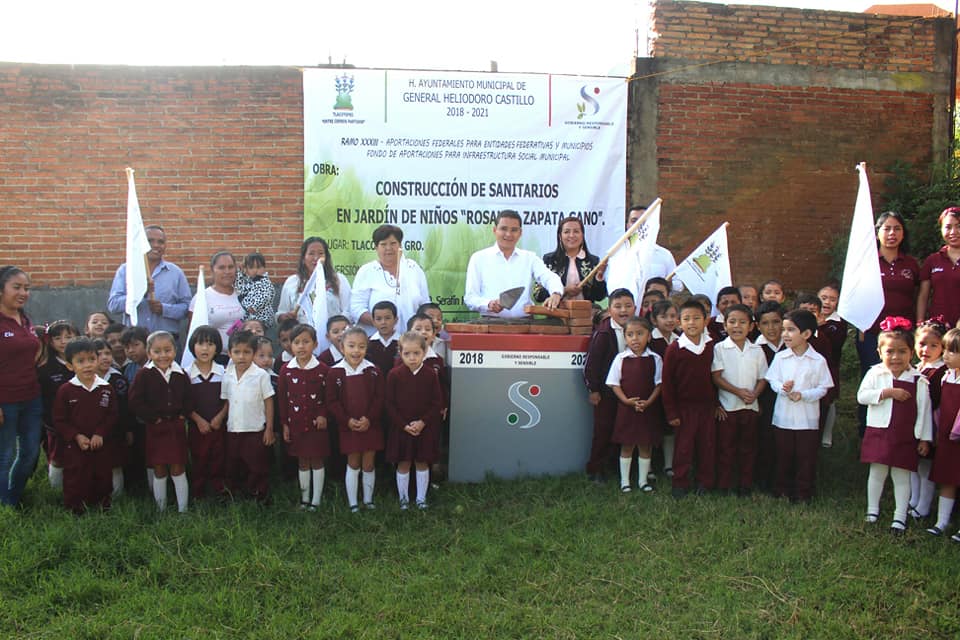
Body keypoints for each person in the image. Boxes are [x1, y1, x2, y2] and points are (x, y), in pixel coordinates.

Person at [857, 317, 933, 533]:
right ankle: (872, 510)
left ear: (912, 353)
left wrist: (924, 438)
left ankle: (899, 516)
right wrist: (886, 393)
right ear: (880, 353)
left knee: (902, 476)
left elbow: (924, 411)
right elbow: (862, 396)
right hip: (879, 432)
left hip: (904, 435)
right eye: (889, 351)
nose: (895, 357)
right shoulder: (875, 373)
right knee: (877, 472)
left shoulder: (918, 380)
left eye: (902, 352)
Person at [764, 310, 833, 503]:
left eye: (791, 330)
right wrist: (782, 388)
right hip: (783, 417)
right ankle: (781, 489)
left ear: (806, 334)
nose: (785, 334)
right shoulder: (780, 357)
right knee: (783, 454)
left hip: (807, 418)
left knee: (806, 457)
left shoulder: (818, 360)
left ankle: (803, 492)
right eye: (784, 330)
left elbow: (823, 388)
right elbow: (773, 380)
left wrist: (804, 395)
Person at [128, 330, 192, 513]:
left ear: (175, 351)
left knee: (178, 466)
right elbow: (134, 401)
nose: (163, 355)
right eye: (157, 351)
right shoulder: (144, 375)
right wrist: (152, 417)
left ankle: (183, 510)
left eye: (167, 350)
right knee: (159, 467)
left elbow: (189, 397)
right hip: (156, 428)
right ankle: (161, 509)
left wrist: (183, 413)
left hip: (176, 428)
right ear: (149, 353)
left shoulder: (180, 374)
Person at [51, 338, 117, 513]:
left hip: (100, 443)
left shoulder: (106, 388)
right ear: (70, 366)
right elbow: (59, 419)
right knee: (76, 475)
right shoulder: (66, 390)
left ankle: (103, 505)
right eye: (81, 361)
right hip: (75, 444)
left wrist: (100, 433)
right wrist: (76, 436)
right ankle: (76, 508)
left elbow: (112, 415)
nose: (87, 365)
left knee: (102, 473)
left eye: (91, 359)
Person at [662, 299, 717, 498]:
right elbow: (667, 384)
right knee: (683, 447)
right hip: (684, 408)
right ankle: (680, 482)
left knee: (707, 446)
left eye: (696, 318)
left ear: (706, 320)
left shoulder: (712, 346)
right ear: (679, 322)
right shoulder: (675, 349)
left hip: (707, 407)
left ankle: (705, 482)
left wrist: (717, 404)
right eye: (686, 319)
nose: (691, 323)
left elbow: (717, 378)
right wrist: (671, 412)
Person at [326, 326, 384, 512]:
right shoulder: (335, 372)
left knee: (368, 462)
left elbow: (379, 398)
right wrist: (347, 421)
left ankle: (368, 500)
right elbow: (332, 401)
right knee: (353, 462)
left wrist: (369, 418)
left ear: (366, 348)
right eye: (351, 346)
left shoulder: (373, 371)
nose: (356, 351)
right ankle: (353, 502)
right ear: (342, 348)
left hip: (370, 425)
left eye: (361, 346)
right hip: (348, 426)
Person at [712, 304, 767, 495]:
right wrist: (738, 392)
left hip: (750, 406)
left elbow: (762, 378)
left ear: (751, 326)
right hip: (728, 407)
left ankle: (745, 484)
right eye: (732, 322)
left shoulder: (757, 350)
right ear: (725, 326)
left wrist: (754, 394)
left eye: (742, 322)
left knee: (748, 447)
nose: (737, 326)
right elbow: (716, 377)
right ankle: (724, 484)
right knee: (726, 448)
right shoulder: (719, 348)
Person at [465, 210, 563, 318]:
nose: (508, 234)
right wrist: (488, 304)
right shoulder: (479, 258)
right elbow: (470, 298)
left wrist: (556, 293)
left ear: (520, 233)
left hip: (525, 326)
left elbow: (549, 277)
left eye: (514, 230)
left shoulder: (529, 258)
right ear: (494, 230)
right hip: (490, 324)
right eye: (503, 229)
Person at [385, 331, 444, 509]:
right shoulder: (394, 375)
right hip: (402, 428)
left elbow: (436, 402)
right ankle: (403, 500)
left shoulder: (430, 375)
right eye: (407, 353)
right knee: (403, 462)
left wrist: (422, 422)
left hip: (424, 428)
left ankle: (421, 499)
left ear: (424, 352)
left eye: (416, 353)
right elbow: (389, 404)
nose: (412, 358)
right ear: (400, 353)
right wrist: (403, 425)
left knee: (421, 461)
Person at [0, 266, 43, 508]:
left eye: (26, 288)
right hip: (5, 399)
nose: (23, 292)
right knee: (4, 456)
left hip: (31, 397)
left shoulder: (25, 319)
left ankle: (13, 497)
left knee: (30, 454)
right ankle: (5, 508)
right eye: (16, 287)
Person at [584, 289, 637, 483]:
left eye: (628, 306)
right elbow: (591, 365)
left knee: (624, 429)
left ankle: (618, 466)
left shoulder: (638, 328)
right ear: (609, 309)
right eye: (618, 306)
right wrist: (594, 389)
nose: (623, 311)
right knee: (603, 429)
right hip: (606, 392)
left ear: (635, 307)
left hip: (629, 391)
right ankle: (596, 469)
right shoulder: (604, 333)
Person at [606, 316, 663, 493]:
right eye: (630, 334)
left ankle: (643, 481)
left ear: (649, 336)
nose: (635, 338)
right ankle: (625, 481)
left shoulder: (655, 359)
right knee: (627, 444)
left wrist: (648, 402)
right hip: (627, 408)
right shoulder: (620, 359)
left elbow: (659, 384)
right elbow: (614, 383)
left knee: (645, 444)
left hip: (647, 408)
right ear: (625, 337)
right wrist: (626, 401)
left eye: (640, 334)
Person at [278, 324, 330, 511]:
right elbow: (282, 400)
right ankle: (305, 498)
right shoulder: (286, 370)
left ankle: (316, 500)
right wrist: (284, 424)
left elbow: (328, 397)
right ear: (291, 345)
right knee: (302, 461)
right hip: (296, 425)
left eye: (306, 342)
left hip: (317, 426)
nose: (301, 346)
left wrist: (323, 414)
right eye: (297, 342)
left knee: (316, 459)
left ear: (315, 344)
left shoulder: (323, 369)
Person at [221, 330, 276, 502]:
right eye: (237, 352)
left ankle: (259, 495)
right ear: (229, 353)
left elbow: (268, 402)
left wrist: (269, 428)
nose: (241, 356)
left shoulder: (260, 375)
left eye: (247, 352)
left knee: (257, 465)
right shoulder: (227, 375)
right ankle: (234, 493)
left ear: (253, 353)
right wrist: (219, 419)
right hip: (233, 429)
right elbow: (227, 402)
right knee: (233, 464)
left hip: (255, 429)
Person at [107, 225, 192, 335]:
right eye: (150, 241)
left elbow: (187, 308)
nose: (155, 245)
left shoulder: (175, 273)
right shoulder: (126, 270)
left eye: (160, 242)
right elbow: (113, 305)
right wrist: (139, 293)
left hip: (166, 344)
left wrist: (164, 309)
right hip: (135, 343)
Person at [350, 226, 429, 335]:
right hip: (377, 341)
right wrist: (381, 323)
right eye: (383, 244)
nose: (388, 248)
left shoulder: (414, 269)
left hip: (412, 341)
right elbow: (356, 308)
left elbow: (425, 304)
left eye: (393, 243)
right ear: (376, 247)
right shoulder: (367, 271)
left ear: (400, 246)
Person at [277, 237, 352, 349]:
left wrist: (336, 331)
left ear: (326, 257)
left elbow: (348, 311)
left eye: (321, 253)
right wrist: (286, 316)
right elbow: (281, 314)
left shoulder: (339, 280)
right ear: (303, 258)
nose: (316, 258)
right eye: (311, 253)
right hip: (302, 344)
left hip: (333, 343)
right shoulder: (292, 282)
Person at [604, 205, 683, 303]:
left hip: (654, 311)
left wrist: (667, 284)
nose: (638, 224)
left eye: (643, 220)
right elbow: (609, 286)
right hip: (626, 311)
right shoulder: (616, 255)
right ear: (627, 225)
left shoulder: (664, 255)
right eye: (634, 220)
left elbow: (678, 285)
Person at [910, 318, 947, 520]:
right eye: (922, 344)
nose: (926, 349)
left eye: (934, 345)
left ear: (942, 348)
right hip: (914, 421)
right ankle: (913, 499)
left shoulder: (941, 371)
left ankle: (924, 505)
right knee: (913, 464)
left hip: (930, 423)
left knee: (925, 466)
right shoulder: (916, 367)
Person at [185, 326, 227, 498]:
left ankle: (219, 490)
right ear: (192, 346)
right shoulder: (186, 374)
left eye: (210, 344)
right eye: (200, 344)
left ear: (217, 347)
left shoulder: (223, 372)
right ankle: (198, 492)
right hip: (197, 427)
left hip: (219, 425)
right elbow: (184, 403)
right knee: (199, 458)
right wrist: (198, 420)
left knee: (219, 457)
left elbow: (229, 399)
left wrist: (220, 417)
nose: (205, 348)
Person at [926, 327, 960, 539]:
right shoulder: (946, 377)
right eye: (945, 350)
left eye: (952, 351)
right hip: (947, 438)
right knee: (947, 478)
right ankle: (942, 521)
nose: (945, 355)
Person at [36, 319, 79, 490]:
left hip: (81, 420)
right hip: (56, 423)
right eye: (58, 338)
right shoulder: (45, 369)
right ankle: (56, 492)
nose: (63, 342)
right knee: (57, 457)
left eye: (68, 336)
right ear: (50, 341)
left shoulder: (85, 362)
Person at [533, 216, 608, 304]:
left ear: (582, 235)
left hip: (585, 315)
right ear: (560, 236)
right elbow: (537, 294)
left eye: (576, 231)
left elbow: (599, 296)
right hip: (556, 314)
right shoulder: (549, 260)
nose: (572, 235)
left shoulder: (593, 261)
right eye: (566, 232)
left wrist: (599, 277)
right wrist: (564, 290)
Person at [754, 301, 786, 491]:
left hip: (786, 400)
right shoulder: (756, 347)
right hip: (764, 400)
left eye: (776, 322)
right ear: (758, 326)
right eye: (765, 323)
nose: (771, 328)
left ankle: (782, 479)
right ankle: (764, 479)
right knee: (765, 440)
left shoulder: (790, 344)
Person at [189, 252, 244, 357]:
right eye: (222, 268)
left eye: (231, 267)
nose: (227, 271)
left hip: (241, 358)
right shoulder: (202, 298)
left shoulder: (245, 295)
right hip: (212, 359)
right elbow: (193, 334)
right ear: (212, 270)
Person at [93, 338, 129, 497]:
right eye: (99, 354)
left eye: (108, 353)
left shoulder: (117, 378)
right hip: (92, 431)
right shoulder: (86, 379)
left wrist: (128, 430)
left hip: (115, 431)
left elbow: (125, 408)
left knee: (115, 464)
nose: (105, 357)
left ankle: (117, 496)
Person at [918, 206, 960, 327]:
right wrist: (920, 322)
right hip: (938, 330)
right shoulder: (933, 260)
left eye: (958, 226)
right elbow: (923, 295)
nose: (953, 232)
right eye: (948, 227)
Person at [817, 282, 847, 448]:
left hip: (830, 366)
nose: (827, 302)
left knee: (829, 399)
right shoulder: (808, 318)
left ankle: (826, 436)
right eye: (823, 298)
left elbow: (833, 346)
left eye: (832, 299)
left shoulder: (839, 323)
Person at [235, 252, 276, 329]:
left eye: (258, 267)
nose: (255, 270)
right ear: (246, 269)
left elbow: (261, 299)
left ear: (264, 268)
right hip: (248, 318)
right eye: (251, 268)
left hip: (261, 320)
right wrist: (240, 271)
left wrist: (249, 305)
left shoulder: (265, 283)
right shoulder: (249, 281)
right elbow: (239, 287)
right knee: (233, 330)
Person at [367, 301, 400, 377]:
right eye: (378, 319)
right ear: (373, 321)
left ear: (396, 320)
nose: (383, 322)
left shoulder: (403, 343)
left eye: (387, 318)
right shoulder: (367, 344)